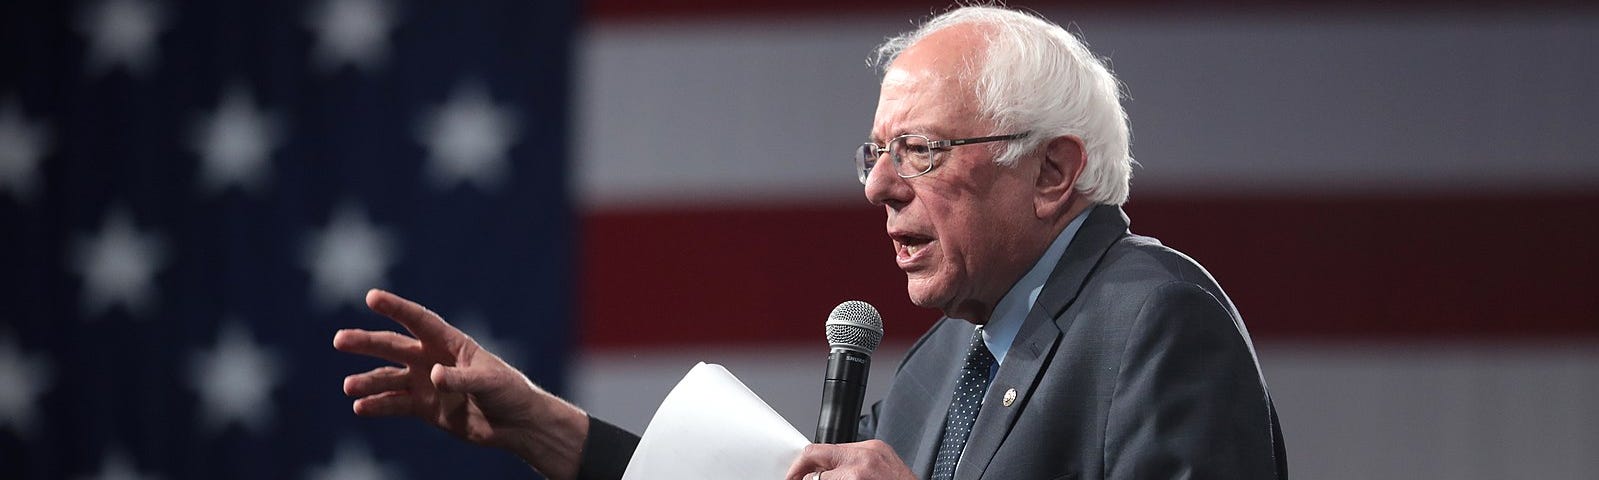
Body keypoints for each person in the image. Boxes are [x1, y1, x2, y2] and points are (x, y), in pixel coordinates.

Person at [334, 5, 1286, 480]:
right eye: (875, 153)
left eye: (921, 149)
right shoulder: (937, 369)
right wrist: (543, 426)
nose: (877, 185)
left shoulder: (1152, 320)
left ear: (1052, 172)